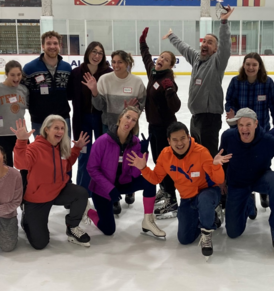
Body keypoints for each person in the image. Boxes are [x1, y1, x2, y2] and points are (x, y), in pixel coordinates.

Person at [127, 122, 229, 260]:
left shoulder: (201, 152)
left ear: (188, 137)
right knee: (184, 239)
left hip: (208, 192)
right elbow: (156, 178)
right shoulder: (165, 155)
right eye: (175, 139)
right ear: (169, 141)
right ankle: (210, 217)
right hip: (187, 198)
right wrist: (143, 168)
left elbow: (218, 179)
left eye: (182, 138)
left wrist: (216, 166)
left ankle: (206, 232)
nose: (179, 143)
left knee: (204, 200)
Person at [219, 108, 274, 255]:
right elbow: (222, 161)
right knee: (233, 232)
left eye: (248, 124)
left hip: (260, 179)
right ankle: (247, 201)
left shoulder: (267, 140)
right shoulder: (228, 137)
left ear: (256, 124)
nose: (244, 129)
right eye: (240, 125)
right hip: (237, 183)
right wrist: (221, 181)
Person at [162, 7, 233, 158]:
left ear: (215, 49)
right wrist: (172, 36)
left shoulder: (217, 62)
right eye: (204, 41)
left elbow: (226, 47)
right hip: (195, 117)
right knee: (195, 155)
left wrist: (224, 22)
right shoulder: (196, 59)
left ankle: (213, 182)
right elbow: (184, 47)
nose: (205, 44)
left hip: (209, 118)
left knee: (208, 156)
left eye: (210, 43)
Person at [12, 116, 91, 249]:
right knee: (40, 243)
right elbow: (20, 164)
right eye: (56, 128)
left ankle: (72, 227)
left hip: (58, 190)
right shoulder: (35, 148)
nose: (60, 131)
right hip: (38, 198)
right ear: (46, 130)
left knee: (81, 194)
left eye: (62, 128)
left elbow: (66, 166)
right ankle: (27, 219)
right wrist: (21, 141)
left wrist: (76, 149)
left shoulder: (61, 147)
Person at [86, 107, 165, 239]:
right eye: (128, 117)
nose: (129, 121)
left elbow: (134, 174)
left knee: (149, 181)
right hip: (102, 189)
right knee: (108, 230)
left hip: (122, 184)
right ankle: (88, 211)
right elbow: (92, 168)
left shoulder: (135, 143)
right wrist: (109, 189)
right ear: (120, 118)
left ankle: (148, 221)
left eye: (134, 120)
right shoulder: (102, 141)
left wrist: (143, 154)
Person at [83, 50, 146, 213]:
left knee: (128, 161)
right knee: (110, 165)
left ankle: (129, 189)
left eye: (120, 62)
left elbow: (141, 106)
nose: (116, 65)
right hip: (109, 127)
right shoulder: (105, 79)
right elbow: (98, 106)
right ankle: (113, 195)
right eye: (114, 61)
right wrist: (94, 91)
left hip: (130, 129)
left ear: (127, 63)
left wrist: (130, 111)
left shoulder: (137, 82)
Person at [225, 52, 274, 211]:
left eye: (254, 65)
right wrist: (231, 113)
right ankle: (249, 195)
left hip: (262, 132)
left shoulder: (267, 83)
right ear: (243, 65)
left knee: (263, 162)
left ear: (259, 66)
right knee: (244, 163)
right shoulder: (236, 82)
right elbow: (229, 102)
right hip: (242, 132)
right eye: (248, 64)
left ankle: (263, 191)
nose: (251, 67)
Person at [139, 27, 182, 219]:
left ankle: (172, 199)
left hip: (166, 128)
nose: (161, 59)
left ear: (171, 66)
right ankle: (165, 190)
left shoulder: (168, 80)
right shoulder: (153, 73)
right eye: (161, 56)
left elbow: (176, 107)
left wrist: (170, 91)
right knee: (157, 162)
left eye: (166, 59)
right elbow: (146, 57)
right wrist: (142, 42)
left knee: (165, 164)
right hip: (153, 126)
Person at [68, 42, 113, 194]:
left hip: (102, 120)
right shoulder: (76, 73)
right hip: (82, 120)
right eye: (94, 51)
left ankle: (103, 190)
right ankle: (81, 192)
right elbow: (67, 95)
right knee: (84, 156)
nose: (96, 55)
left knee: (103, 156)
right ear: (88, 52)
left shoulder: (108, 73)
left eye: (100, 53)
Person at [22, 31, 72, 136]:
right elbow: (23, 93)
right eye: (48, 43)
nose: (52, 46)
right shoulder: (30, 68)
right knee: (41, 152)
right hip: (39, 121)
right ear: (43, 46)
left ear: (60, 46)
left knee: (63, 152)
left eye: (55, 43)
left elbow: (70, 93)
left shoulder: (67, 68)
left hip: (62, 119)